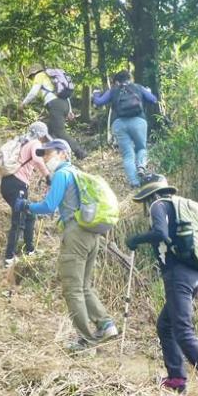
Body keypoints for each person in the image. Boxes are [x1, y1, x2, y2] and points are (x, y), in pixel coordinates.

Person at [125, 173, 198, 396]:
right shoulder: (182, 208)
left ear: (151, 194)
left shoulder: (159, 205)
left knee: (183, 331)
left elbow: (160, 234)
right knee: (165, 325)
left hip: (178, 276)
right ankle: (176, 378)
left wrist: (136, 239)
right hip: (196, 274)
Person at [15, 139, 116, 351]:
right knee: (84, 286)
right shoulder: (77, 174)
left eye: (49, 154)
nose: (46, 158)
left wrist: (26, 206)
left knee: (72, 289)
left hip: (75, 233)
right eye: (44, 155)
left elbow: (49, 206)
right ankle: (106, 324)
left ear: (63, 154)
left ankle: (86, 340)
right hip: (91, 234)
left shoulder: (62, 174)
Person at [92, 68, 157, 188]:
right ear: (130, 79)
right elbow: (153, 99)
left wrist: (95, 93)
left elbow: (99, 102)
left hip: (119, 123)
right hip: (139, 121)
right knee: (141, 148)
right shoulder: (138, 87)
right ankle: (141, 166)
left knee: (128, 154)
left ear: (116, 82)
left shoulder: (113, 90)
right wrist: (148, 91)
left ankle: (135, 183)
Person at [0, 121, 52, 267]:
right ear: (40, 134)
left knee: (29, 214)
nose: (43, 140)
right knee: (18, 220)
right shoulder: (34, 143)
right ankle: (9, 258)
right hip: (18, 184)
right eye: (43, 137)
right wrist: (48, 176)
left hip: (7, 183)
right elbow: (37, 159)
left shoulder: (21, 141)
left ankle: (29, 250)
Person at [19, 68, 86, 160]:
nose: (32, 79)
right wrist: (69, 110)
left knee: (60, 132)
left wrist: (23, 103)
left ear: (33, 74)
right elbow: (64, 95)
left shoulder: (39, 76)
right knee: (48, 131)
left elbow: (33, 93)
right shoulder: (52, 78)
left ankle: (80, 152)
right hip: (63, 104)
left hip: (55, 105)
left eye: (31, 77)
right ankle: (48, 154)